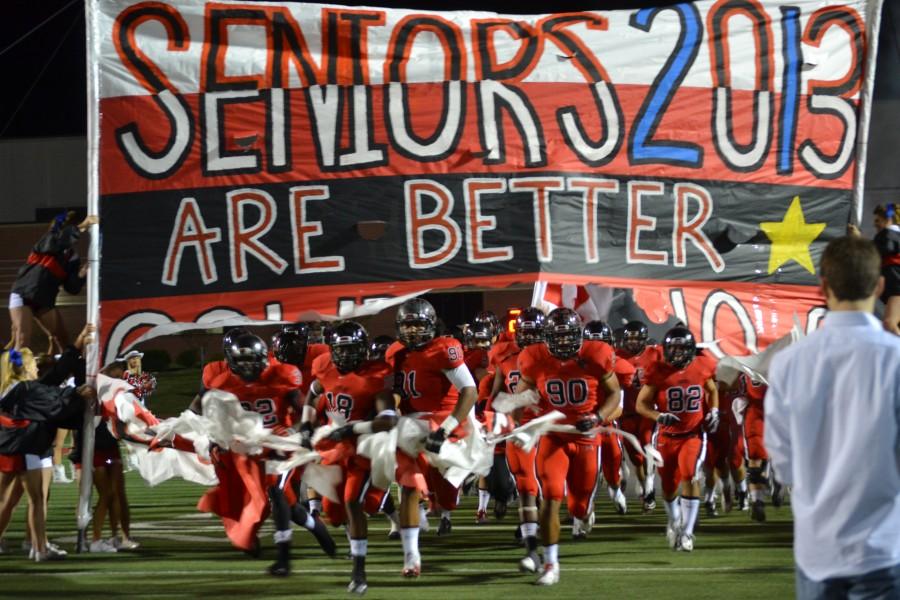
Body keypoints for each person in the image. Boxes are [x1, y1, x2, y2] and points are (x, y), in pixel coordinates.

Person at [765, 235, 900, 598]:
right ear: (880, 285)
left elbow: (782, 462)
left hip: (817, 548)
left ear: (823, 286)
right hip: (884, 545)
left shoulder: (788, 363)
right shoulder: (895, 359)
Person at [193, 332, 335, 570]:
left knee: (275, 492)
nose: (248, 366)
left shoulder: (282, 376)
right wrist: (214, 437)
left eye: (252, 360)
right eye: (242, 360)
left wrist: (300, 433)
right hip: (249, 448)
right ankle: (318, 530)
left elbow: (304, 410)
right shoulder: (222, 383)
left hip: (280, 442)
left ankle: (283, 558)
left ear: (263, 359)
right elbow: (205, 412)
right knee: (288, 507)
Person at [514, 308, 621, 585]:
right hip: (553, 435)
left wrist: (598, 416)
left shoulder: (597, 354)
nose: (563, 343)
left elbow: (615, 394)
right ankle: (551, 565)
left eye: (568, 336)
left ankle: (584, 513)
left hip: (586, 437)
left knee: (578, 507)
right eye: (557, 337)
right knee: (550, 498)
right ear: (547, 337)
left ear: (579, 335)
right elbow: (520, 396)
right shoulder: (533, 357)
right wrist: (513, 422)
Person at [301, 321, 398, 594]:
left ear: (363, 350)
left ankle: (359, 571)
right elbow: (312, 394)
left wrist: (351, 428)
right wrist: (307, 424)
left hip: (365, 446)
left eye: (351, 349)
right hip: (335, 447)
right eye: (340, 349)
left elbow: (388, 420)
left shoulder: (375, 374)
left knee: (352, 501)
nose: (345, 355)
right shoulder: (324, 366)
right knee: (333, 514)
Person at [385, 297, 478, 577]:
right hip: (412, 422)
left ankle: (458, 477)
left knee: (447, 499)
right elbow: (396, 391)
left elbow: (470, 391)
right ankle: (411, 557)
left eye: (418, 325)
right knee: (409, 488)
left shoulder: (444, 349)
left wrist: (446, 428)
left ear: (430, 325)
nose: (412, 331)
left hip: (444, 416)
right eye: (408, 325)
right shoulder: (395, 352)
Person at [636, 326, 719, 553]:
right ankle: (674, 520)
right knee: (669, 486)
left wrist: (714, 411)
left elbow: (712, 390)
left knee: (690, 476)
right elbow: (640, 404)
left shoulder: (703, 365)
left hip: (692, 434)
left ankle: (687, 532)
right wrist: (659, 415)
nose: (679, 353)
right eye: (674, 348)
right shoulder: (657, 370)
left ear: (692, 350)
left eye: (683, 348)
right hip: (665, 435)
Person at [484, 306, 545, 571]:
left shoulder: (552, 359)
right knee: (526, 487)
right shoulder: (504, 357)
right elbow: (496, 397)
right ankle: (531, 543)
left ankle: (538, 529)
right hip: (517, 429)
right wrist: (491, 420)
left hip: (546, 429)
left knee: (547, 489)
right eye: (525, 333)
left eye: (535, 333)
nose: (529, 338)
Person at [8, 211, 97, 353]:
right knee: (23, 340)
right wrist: (82, 226)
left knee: (62, 338)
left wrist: (82, 273)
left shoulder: (72, 257)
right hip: (23, 294)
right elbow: (61, 241)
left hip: (44, 300)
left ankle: (67, 373)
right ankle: (14, 374)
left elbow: (71, 288)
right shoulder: (48, 239)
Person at [583, 320, 630, 516]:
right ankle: (584, 509)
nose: (597, 349)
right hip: (585, 428)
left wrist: (597, 418)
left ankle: (616, 489)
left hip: (606, 424)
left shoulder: (617, 366)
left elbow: (619, 408)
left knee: (612, 467)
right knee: (586, 472)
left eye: (601, 344)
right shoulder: (576, 366)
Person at [615, 320, 662, 512]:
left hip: (647, 410)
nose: (633, 343)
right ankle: (644, 488)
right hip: (626, 412)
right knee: (635, 458)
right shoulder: (616, 356)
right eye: (630, 339)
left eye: (637, 339)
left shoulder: (654, 353)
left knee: (646, 443)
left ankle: (650, 486)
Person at [848, 203, 900, 334]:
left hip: (897, 288)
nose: (875, 224)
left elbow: (880, 250)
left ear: (888, 219)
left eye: (878, 220)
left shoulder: (889, 233)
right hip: (894, 288)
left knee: (889, 323)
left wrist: (859, 239)